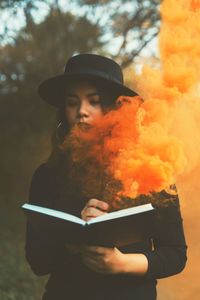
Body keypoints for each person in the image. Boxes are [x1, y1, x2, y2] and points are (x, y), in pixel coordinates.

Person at [25, 54, 187, 300]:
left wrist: (120, 263)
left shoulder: (150, 168)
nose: (82, 111)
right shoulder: (47, 176)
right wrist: (74, 240)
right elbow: (37, 261)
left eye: (95, 101)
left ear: (115, 108)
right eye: (72, 102)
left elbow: (175, 254)